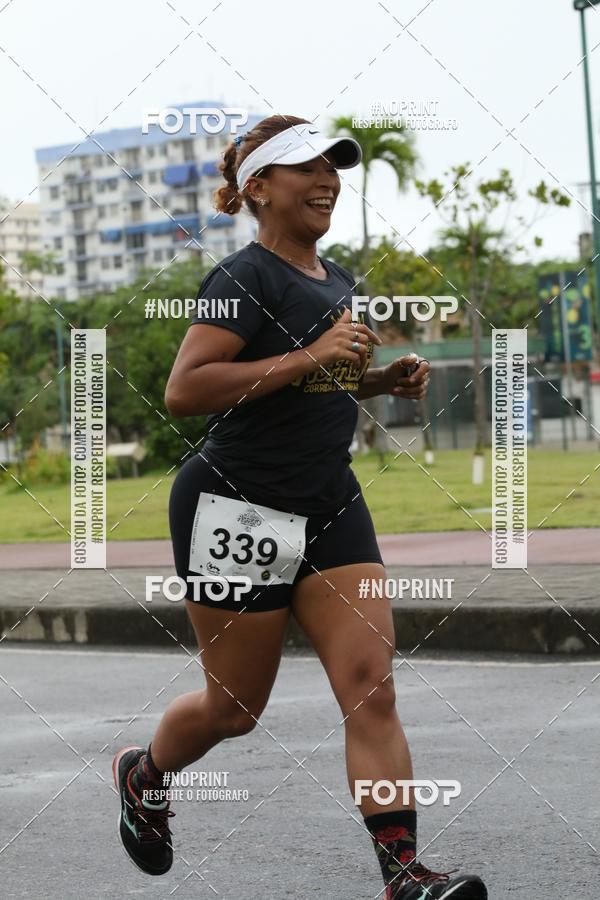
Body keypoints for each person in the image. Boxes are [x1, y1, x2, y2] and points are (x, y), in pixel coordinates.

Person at [113, 114, 488, 899]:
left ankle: (404, 876)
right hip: (237, 508)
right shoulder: (242, 279)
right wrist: (316, 354)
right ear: (258, 189)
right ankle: (144, 774)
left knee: (371, 683)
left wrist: (379, 381)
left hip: (327, 500)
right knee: (234, 709)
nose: (327, 178)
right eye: (303, 167)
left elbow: (312, 381)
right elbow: (187, 390)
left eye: (333, 165)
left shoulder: (340, 279)